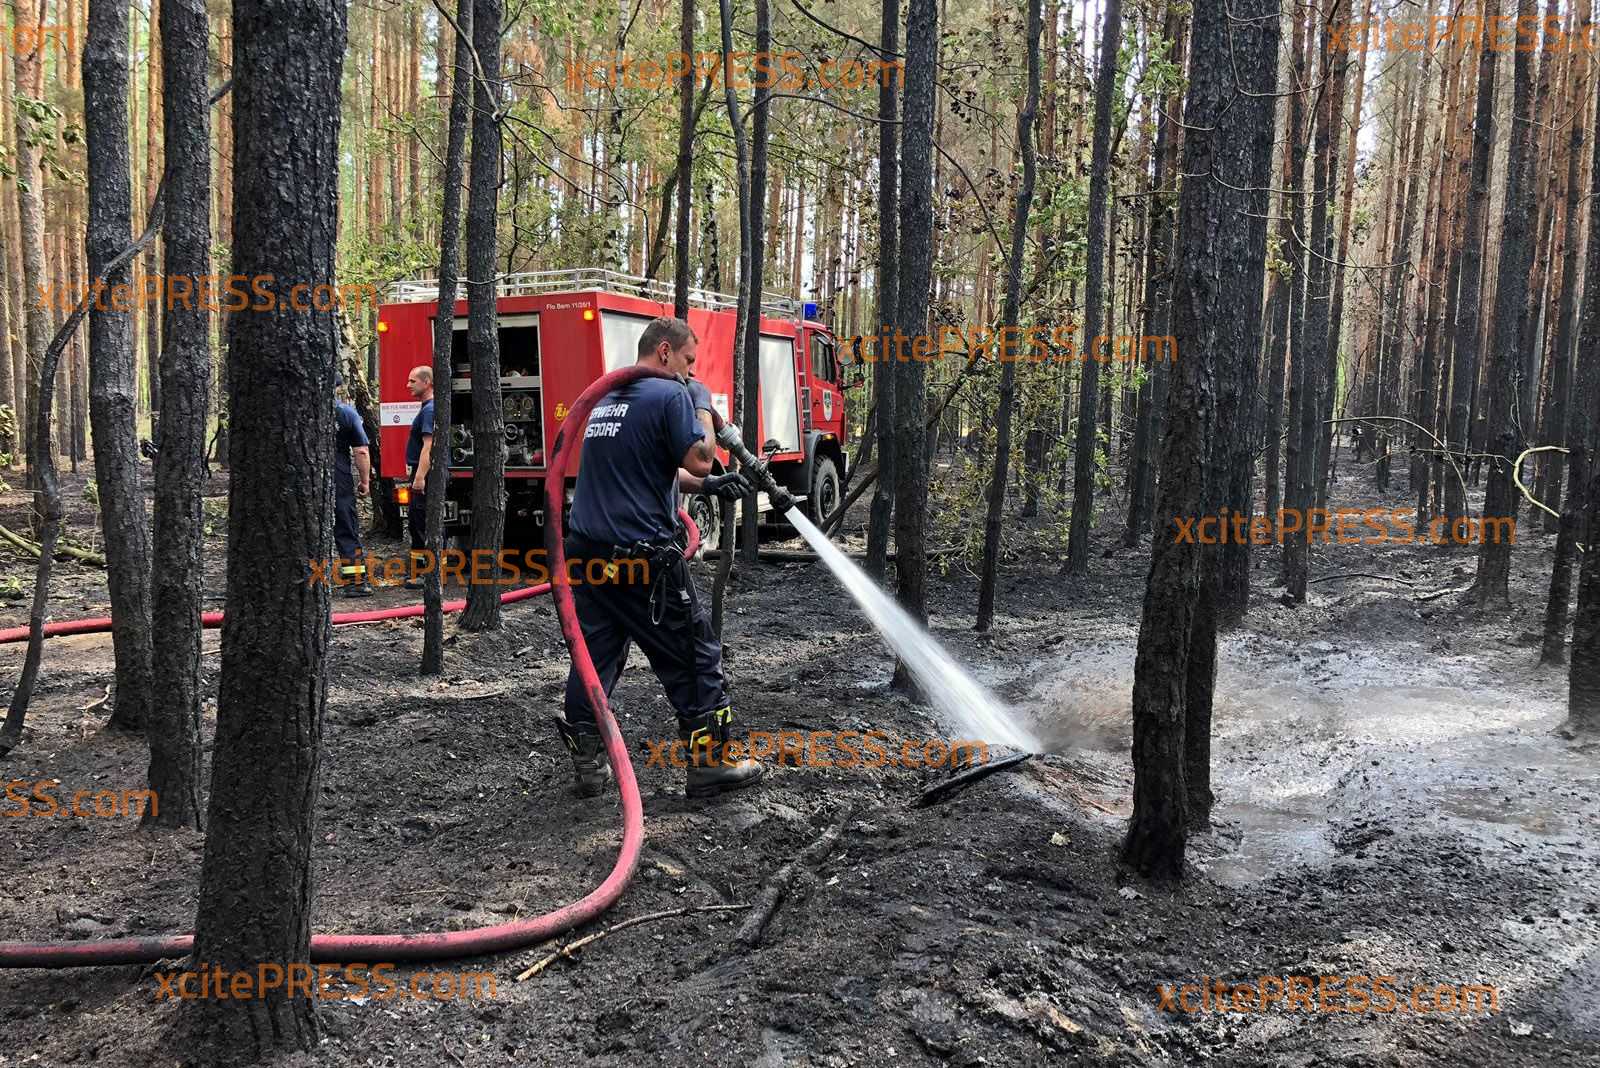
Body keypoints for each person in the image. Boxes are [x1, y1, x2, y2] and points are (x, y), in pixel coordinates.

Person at [555, 316, 758, 799]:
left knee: (595, 656)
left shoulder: (609, 398)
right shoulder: (671, 394)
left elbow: (648, 469)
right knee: (695, 653)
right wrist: (702, 407)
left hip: (590, 558)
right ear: (665, 352)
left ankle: (587, 762)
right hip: (643, 561)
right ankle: (710, 765)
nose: (691, 371)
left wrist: (708, 487)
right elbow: (700, 456)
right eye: (689, 360)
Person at [334, 393, 372, 596]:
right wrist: (365, 482)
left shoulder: (298, 410)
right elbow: (361, 451)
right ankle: (356, 582)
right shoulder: (346, 413)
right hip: (337, 476)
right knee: (346, 527)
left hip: (303, 478)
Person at [403, 365, 435, 591]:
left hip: (423, 474)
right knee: (417, 523)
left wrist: (420, 477)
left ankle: (427, 574)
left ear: (427, 383)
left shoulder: (430, 410)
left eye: (412, 381)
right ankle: (421, 572)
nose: (408, 385)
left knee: (421, 523)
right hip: (419, 472)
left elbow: (428, 447)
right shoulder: (427, 408)